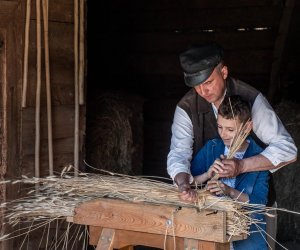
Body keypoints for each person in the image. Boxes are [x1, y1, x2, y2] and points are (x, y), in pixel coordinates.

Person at [167, 42, 297, 201]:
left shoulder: (251, 99)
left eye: (208, 82)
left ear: (224, 72)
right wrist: (183, 184)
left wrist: (241, 166)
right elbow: (179, 153)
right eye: (196, 86)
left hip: (252, 202)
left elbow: (288, 150)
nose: (203, 91)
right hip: (207, 204)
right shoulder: (186, 107)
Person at [191, 95, 268, 250]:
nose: (223, 134)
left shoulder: (260, 158)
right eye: (220, 127)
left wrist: (229, 191)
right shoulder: (211, 148)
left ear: (247, 127)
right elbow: (189, 183)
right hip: (210, 235)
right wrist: (207, 174)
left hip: (248, 239)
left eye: (230, 129)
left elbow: (259, 204)